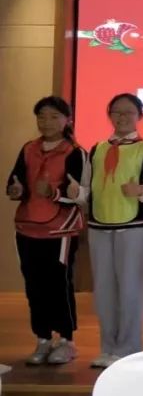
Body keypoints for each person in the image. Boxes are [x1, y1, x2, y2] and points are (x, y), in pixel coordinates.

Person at [7, 96, 87, 365]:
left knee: (59, 285)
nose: (47, 122)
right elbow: (15, 180)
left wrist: (53, 192)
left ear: (67, 120)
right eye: (41, 116)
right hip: (27, 226)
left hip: (60, 229)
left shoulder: (75, 151)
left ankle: (66, 340)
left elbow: (79, 194)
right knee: (34, 286)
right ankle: (42, 338)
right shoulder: (29, 148)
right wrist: (16, 189)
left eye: (54, 116)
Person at [85, 93, 143, 368]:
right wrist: (74, 192)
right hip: (99, 225)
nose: (122, 117)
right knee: (104, 290)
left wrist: (140, 190)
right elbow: (87, 189)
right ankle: (108, 346)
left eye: (129, 112)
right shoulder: (97, 149)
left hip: (132, 226)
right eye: (117, 112)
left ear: (140, 116)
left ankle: (128, 347)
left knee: (130, 289)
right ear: (109, 115)